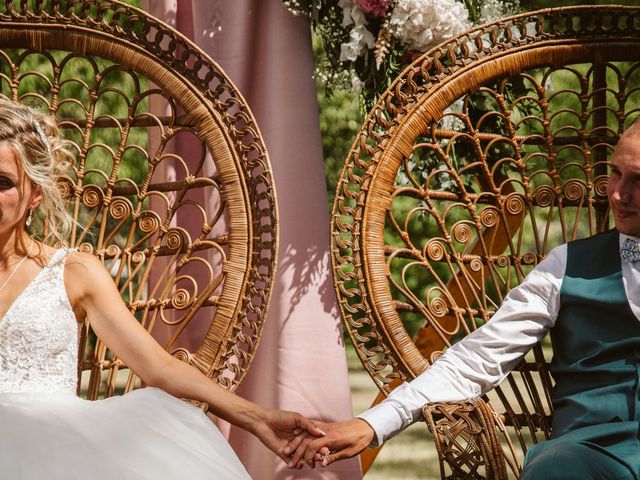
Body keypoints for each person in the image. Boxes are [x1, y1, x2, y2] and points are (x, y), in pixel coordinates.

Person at [286, 121, 640, 479]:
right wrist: (372, 423)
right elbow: (477, 358)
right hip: (584, 457)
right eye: (615, 173)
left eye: (638, 180)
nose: (618, 194)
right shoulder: (565, 267)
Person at [0, 98, 325, 479]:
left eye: (2, 182)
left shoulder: (73, 272)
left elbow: (158, 367)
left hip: (52, 448)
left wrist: (258, 419)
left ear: (35, 193)